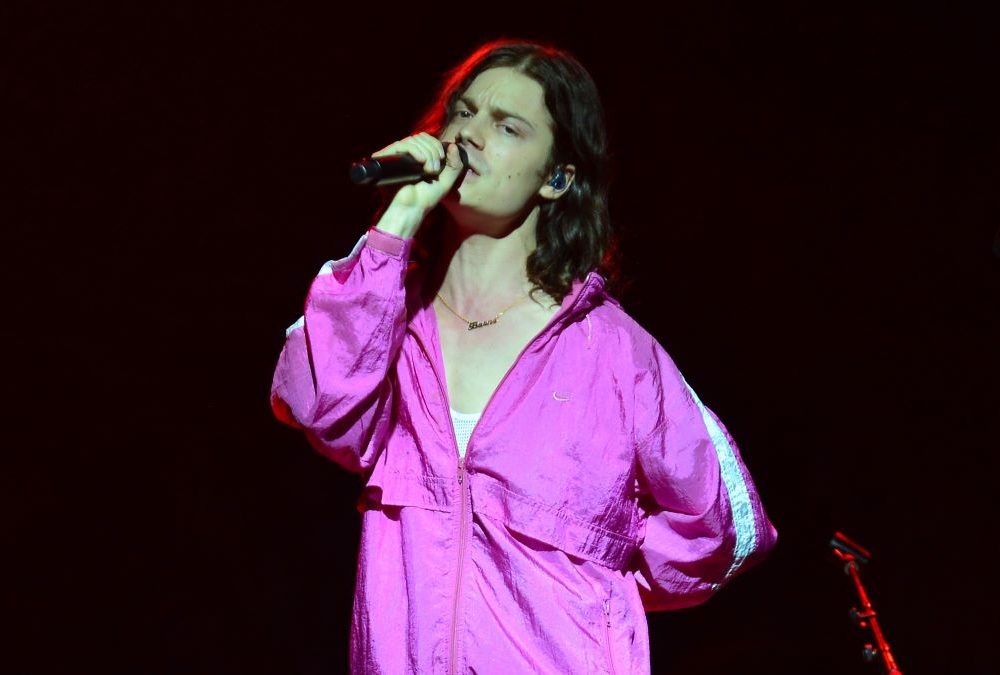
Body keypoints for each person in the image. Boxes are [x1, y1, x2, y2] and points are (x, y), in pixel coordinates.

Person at [270, 39, 776, 674]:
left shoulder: (615, 351)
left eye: (506, 126)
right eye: (461, 113)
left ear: (557, 177)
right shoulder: (386, 319)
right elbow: (315, 404)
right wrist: (395, 221)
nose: (468, 136)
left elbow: (727, 526)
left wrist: (607, 590)